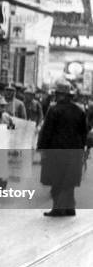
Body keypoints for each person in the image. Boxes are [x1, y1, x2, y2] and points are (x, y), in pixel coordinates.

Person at [38, 79, 88, 217]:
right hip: (74, 151)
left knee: (57, 180)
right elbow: (84, 132)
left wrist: (42, 149)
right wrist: (82, 149)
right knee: (69, 180)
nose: (56, 96)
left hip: (57, 151)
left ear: (61, 95)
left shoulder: (54, 110)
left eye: (58, 94)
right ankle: (70, 208)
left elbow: (47, 131)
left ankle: (58, 209)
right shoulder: (80, 110)